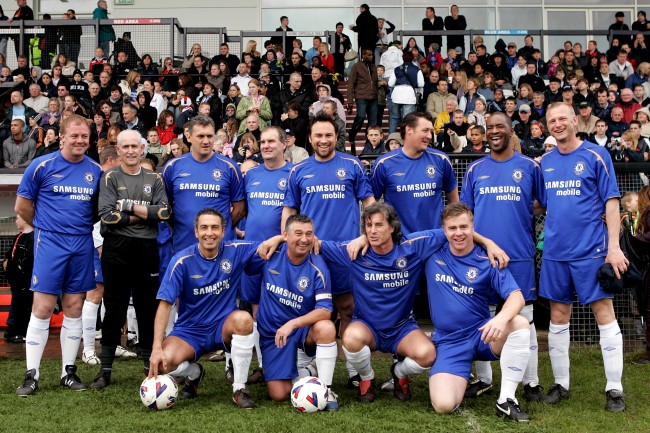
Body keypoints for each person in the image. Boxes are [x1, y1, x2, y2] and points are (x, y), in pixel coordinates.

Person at [539, 103, 628, 412]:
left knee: (604, 313)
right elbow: (538, 204)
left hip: (590, 251)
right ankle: (561, 385)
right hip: (554, 254)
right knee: (558, 317)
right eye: (552, 120)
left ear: (575, 121)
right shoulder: (545, 163)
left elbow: (612, 202)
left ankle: (614, 388)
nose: (557, 124)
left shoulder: (595, 155)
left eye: (563, 118)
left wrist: (613, 247)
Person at [282, 113, 375, 388]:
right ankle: (304, 363)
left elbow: (369, 202)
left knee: (347, 308)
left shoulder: (352, 165)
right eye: (318, 136)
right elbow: (290, 209)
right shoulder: (298, 170)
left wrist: (366, 236)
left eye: (329, 135)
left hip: (347, 252)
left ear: (336, 137)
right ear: (310, 139)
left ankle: (352, 368)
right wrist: (287, 238)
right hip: (309, 253)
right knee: (306, 307)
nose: (324, 140)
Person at [460, 112, 546, 401]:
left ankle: (531, 383)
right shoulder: (475, 169)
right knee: (479, 316)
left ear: (511, 131)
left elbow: (542, 204)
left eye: (500, 127)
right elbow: (465, 215)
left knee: (524, 318)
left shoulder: (530, 167)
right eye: (489, 128)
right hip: (480, 257)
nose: (494, 131)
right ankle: (483, 379)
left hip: (519, 256)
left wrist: (521, 213)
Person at [15, 114, 103, 397]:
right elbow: (22, 206)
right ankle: (32, 375)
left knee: (75, 306)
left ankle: (68, 371)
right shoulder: (41, 165)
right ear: (62, 137)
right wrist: (43, 226)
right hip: (49, 241)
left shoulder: (96, 170)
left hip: (81, 243)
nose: (79, 141)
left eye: (84, 136)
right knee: (41, 307)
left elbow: (95, 212)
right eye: (74, 136)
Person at [425, 203, 532, 422]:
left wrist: (501, 319)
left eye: (464, 227)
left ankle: (506, 400)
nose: (458, 233)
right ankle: (455, 372)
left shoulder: (488, 259)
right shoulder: (431, 252)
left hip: (482, 335)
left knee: (520, 324)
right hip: (449, 341)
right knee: (443, 406)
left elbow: (517, 297)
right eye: (452, 228)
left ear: (473, 227)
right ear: (443, 231)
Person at [148, 208, 265, 408]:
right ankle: (194, 373)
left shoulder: (235, 250)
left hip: (222, 326)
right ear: (196, 232)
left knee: (244, 319)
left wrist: (278, 238)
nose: (209, 233)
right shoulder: (181, 261)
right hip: (190, 331)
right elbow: (165, 304)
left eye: (214, 228)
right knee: (159, 365)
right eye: (204, 228)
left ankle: (239, 388)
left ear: (223, 231)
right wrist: (156, 347)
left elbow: (265, 246)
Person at [90, 129, 171, 389]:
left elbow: (165, 212)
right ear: (119, 149)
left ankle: (150, 365)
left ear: (142, 148)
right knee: (115, 307)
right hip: (117, 247)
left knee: (147, 307)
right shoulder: (109, 177)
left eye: (135, 146)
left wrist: (127, 207)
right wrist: (145, 214)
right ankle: (105, 369)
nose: (130, 151)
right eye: (125, 147)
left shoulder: (154, 178)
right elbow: (107, 216)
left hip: (147, 247)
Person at [163, 115, 245, 250]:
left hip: (221, 246)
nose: (206, 141)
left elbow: (240, 209)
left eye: (210, 136)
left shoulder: (229, 167)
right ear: (188, 137)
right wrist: (183, 226)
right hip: (184, 244)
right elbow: (166, 207)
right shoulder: (172, 166)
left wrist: (221, 228)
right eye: (200, 136)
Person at [371, 111, 458, 234]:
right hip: (399, 244)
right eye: (425, 130)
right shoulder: (384, 163)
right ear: (409, 130)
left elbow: (454, 202)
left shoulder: (441, 159)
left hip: (435, 242)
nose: (429, 136)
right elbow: (371, 204)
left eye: (431, 131)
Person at [3, 215, 34, 344]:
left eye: (18, 218)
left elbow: (31, 258)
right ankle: (13, 330)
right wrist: (7, 261)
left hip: (25, 280)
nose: (15, 221)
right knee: (17, 305)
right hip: (16, 280)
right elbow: (10, 254)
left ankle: (22, 331)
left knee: (24, 306)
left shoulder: (33, 237)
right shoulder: (19, 236)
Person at [347, 49, 378, 155]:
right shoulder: (356, 66)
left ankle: (368, 145)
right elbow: (351, 83)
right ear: (363, 55)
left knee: (373, 122)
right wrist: (350, 101)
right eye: (369, 55)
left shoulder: (373, 66)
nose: (371, 56)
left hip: (373, 97)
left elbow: (374, 82)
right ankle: (352, 133)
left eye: (372, 55)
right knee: (361, 116)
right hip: (361, 96)